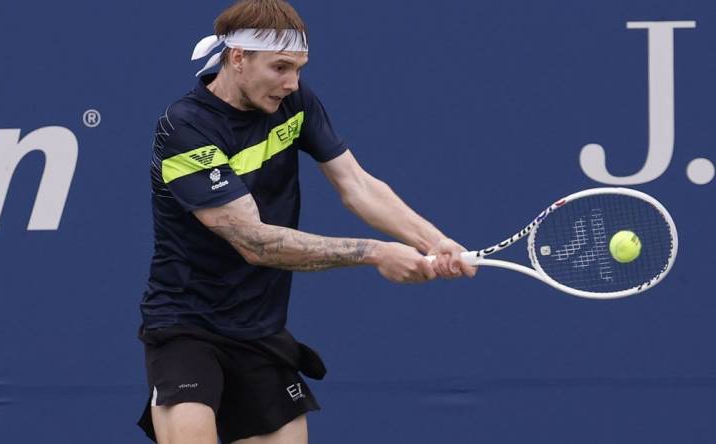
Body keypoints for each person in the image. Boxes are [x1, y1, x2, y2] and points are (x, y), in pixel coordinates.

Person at [138, 1, 476, 443]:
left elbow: (357, 185)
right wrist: (375, 252)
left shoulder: (294, 101)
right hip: (187, 327)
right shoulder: (185, 129)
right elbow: (254, 243)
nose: (291, 82)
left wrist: (435, 241)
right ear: (238, 58)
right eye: (280, 67)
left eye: (298, 68)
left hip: (261, 329)